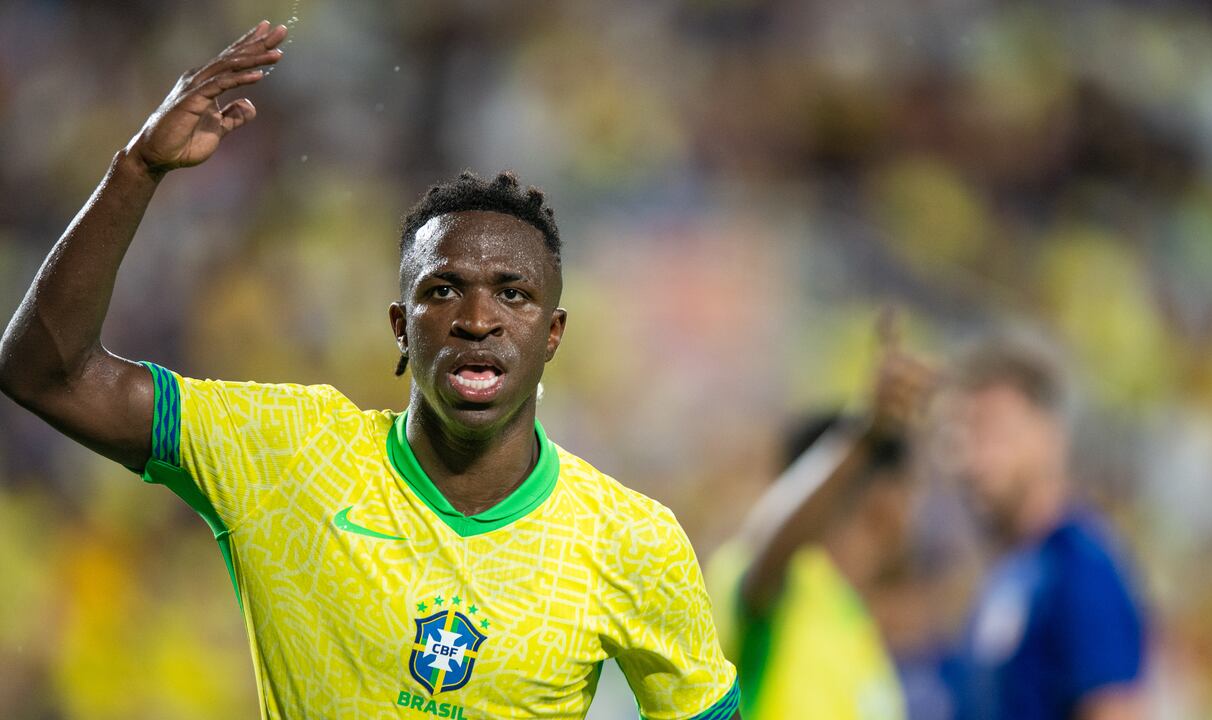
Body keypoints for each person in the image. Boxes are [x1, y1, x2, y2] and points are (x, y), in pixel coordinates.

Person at [0, 22, 739, 720]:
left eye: (512, 295)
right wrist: (137, 169)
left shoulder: (630, 541)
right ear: (400, 327)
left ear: (552, 336)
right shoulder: (288, 454)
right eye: (442, 290)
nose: (477, 319)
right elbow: (45, 373)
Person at [707, 320, 931, 719]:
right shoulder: (780, 587)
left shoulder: (853, 623)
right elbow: (766, 551)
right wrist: (862, 435)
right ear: (884, 501)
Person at [944, 339, 1146, 720]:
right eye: (963, 436)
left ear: (1048, 436)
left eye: (991, 431)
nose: (972, 461)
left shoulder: (1082, 570)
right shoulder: (1011, 569)